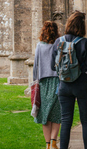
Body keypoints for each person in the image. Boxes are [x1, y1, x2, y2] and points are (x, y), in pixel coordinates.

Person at [51, 11, 87, 149]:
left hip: (64, 85)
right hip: (82, 84)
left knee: (66, 121)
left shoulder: (58, 42)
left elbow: (52, 65)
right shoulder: (85, 43)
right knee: (86, 120)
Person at [33, 21, 62, 149]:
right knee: (56, 114)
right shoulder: (60, 44)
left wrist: (34, 82)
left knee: (45, 114)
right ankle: (54, 142)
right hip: (57, 80)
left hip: (43, 82)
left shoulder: (39, 46)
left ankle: (48, 144)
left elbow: (35, 66)